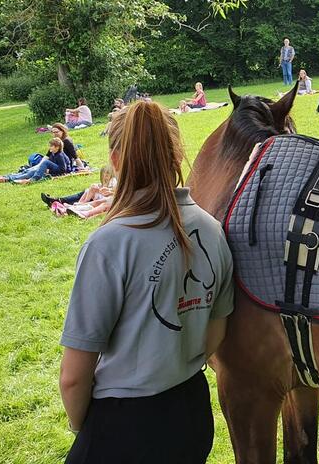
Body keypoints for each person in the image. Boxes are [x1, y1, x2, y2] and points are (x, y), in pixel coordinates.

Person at [59, 101, 234, 464]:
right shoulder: (213, 230)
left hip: (124, 425)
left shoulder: (108, 243)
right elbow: (214, 336)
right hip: (191, 413)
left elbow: (74, 377)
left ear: (116, 159)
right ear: (176, 155)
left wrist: (85, 430)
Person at [0, 137, 71, 184]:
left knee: (32, 171)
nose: (49, 148)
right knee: (28, 170)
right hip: (51, 168)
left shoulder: (60, 155)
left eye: (51, 146)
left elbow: (63, 170)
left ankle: (32, 180)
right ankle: (4, 177)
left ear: (57, 147)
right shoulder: (52, 152)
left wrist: (48, 171)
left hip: (58, 171)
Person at [41, 166, 116, 210]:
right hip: (100, 195)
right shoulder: (107, 180)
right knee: (87, 191)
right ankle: (60, 201)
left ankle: (60, 201)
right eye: (104, 173)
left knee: (87, 192)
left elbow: (113, 191)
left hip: (105, 198)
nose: (105, 175)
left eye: (107, 173)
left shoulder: (114, 181)